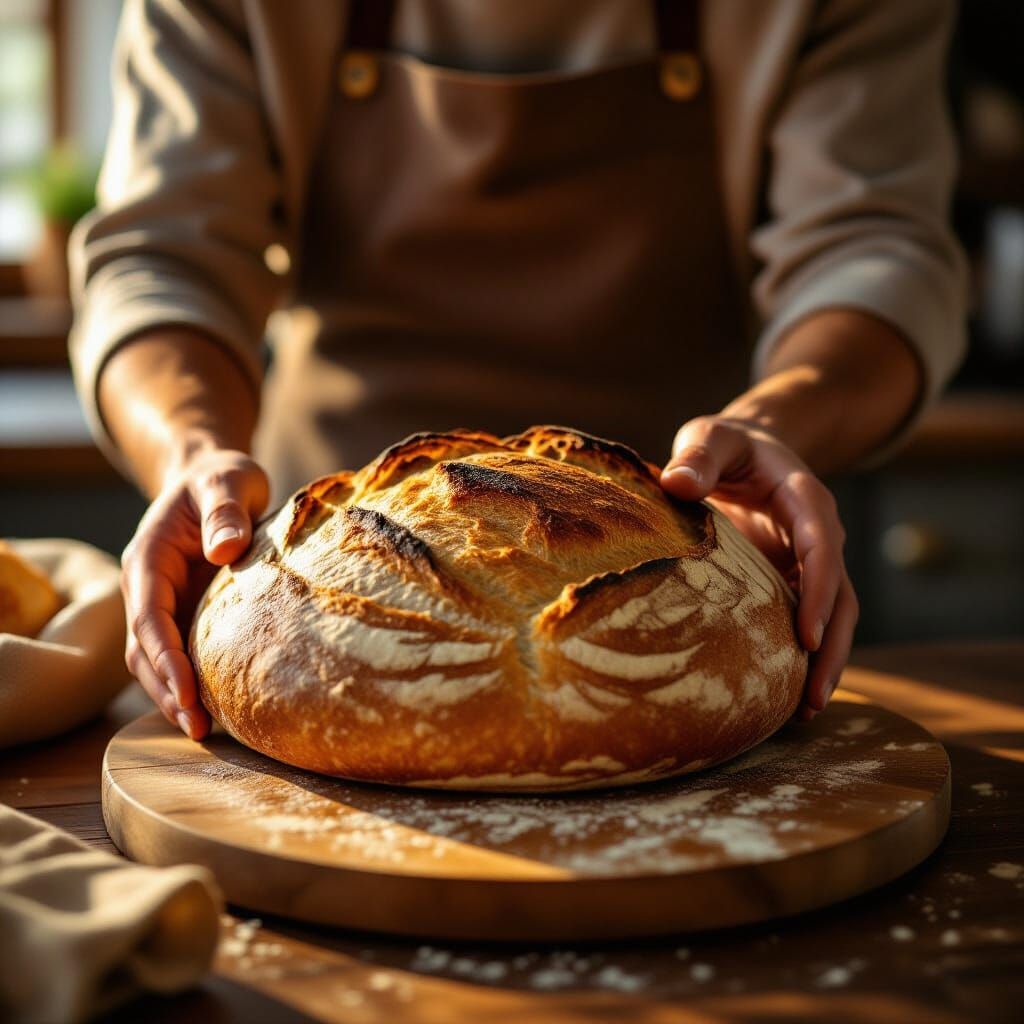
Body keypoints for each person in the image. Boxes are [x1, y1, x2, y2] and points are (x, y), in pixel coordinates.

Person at [69, 0, 966, 741]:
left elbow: (875, 249)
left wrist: (780, 424)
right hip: (320, 578)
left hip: (703, 555)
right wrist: (193, 454)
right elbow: (165, 257)